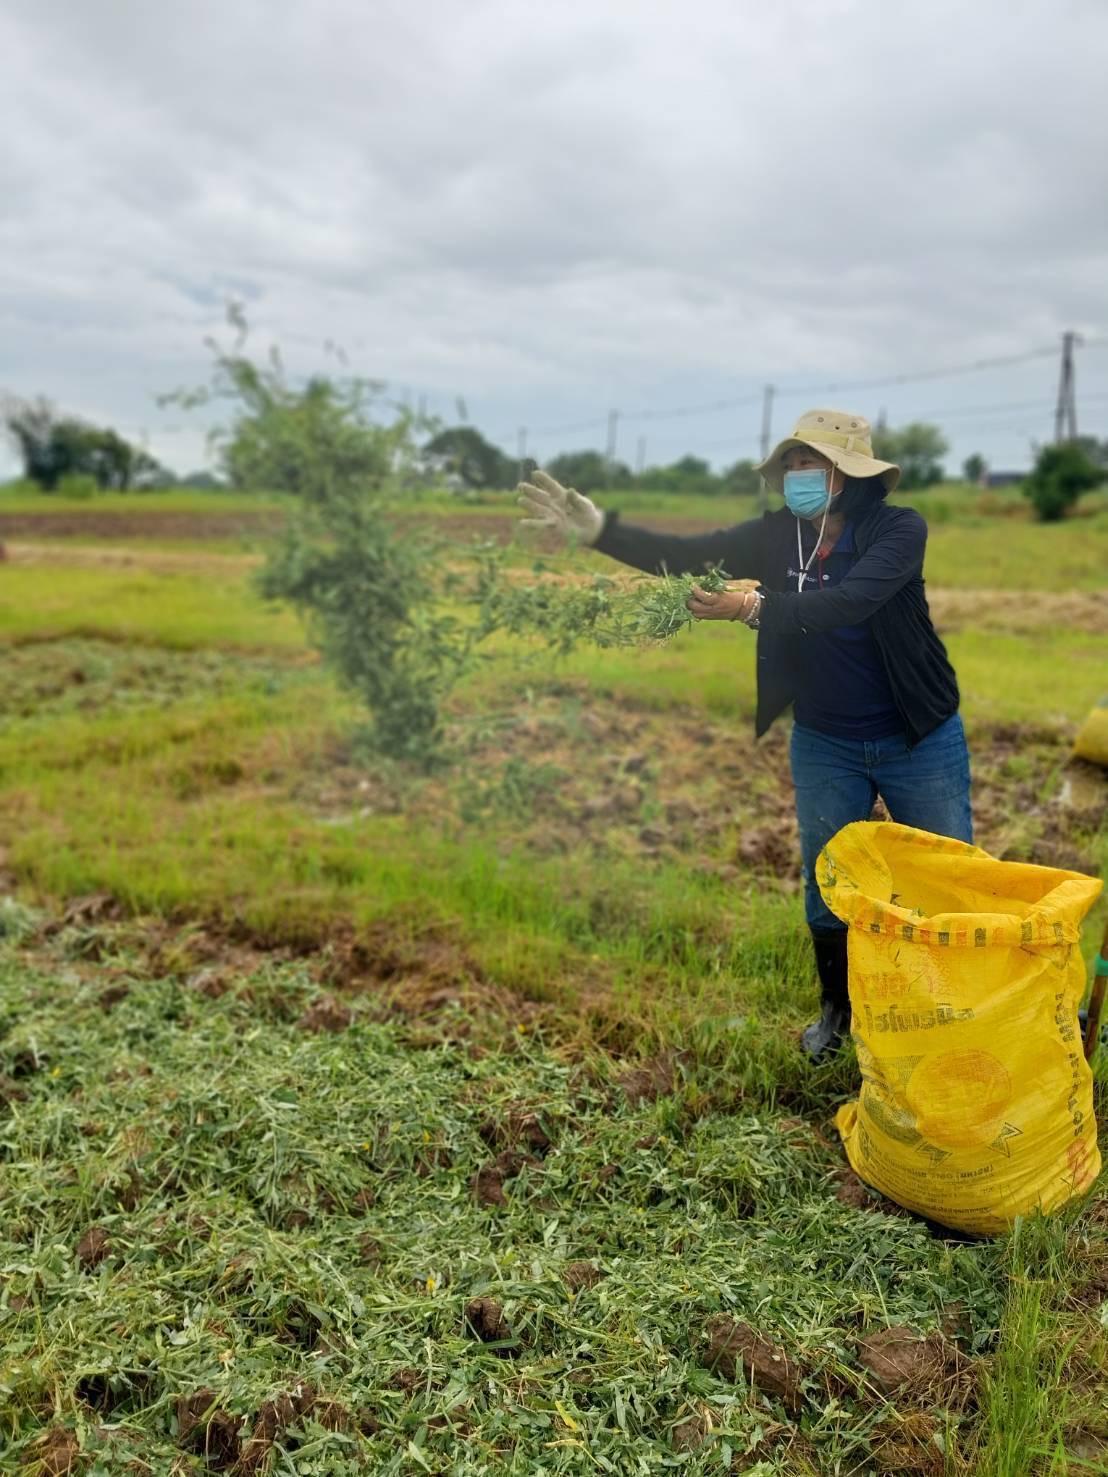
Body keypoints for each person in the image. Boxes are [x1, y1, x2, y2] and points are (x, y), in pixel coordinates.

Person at [517, 409, 971, 1063]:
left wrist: (754, 607)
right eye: (789, 463)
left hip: (917, 735)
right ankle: (836, 1012)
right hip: (824, 740)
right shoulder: (775, 536)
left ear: (846, 473)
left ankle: (959, 1007)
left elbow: (850, 601)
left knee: (948, 877)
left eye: (807, 463)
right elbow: (689, 553)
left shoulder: (898, 530)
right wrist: (600, 531)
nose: (795, 475)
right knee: (827, 876)